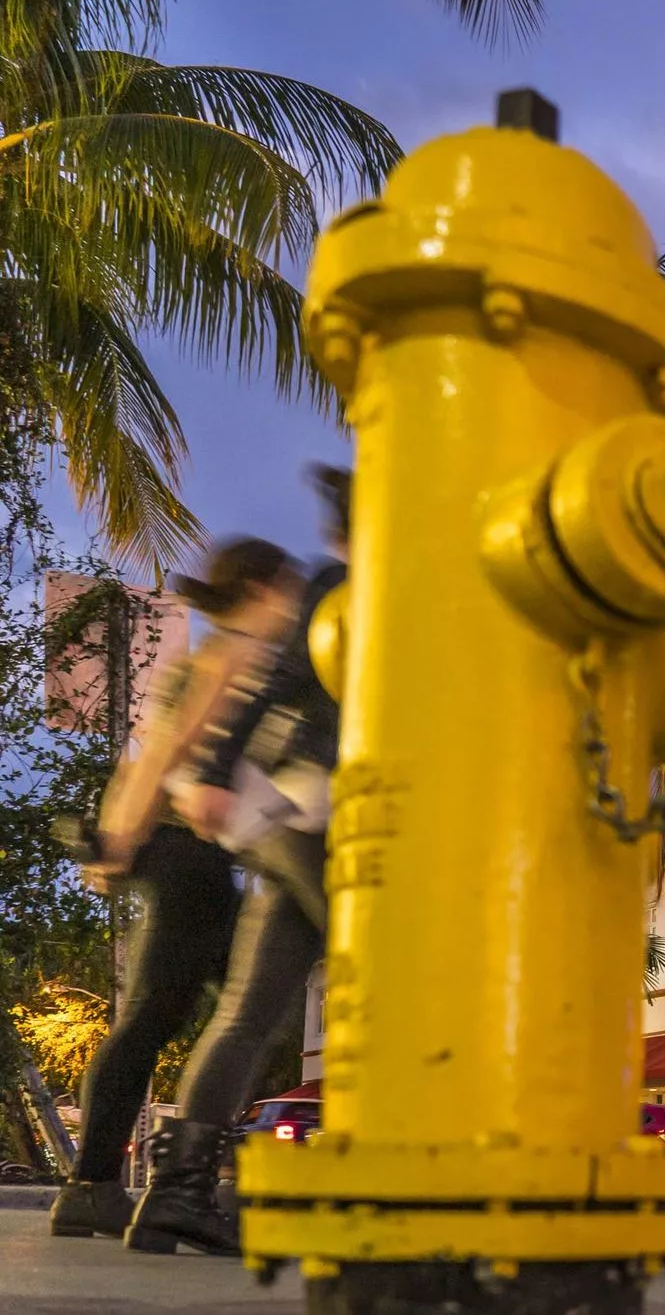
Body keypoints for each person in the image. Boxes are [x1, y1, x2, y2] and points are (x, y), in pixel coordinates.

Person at [45, 542, 297, 1239]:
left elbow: (149, 747)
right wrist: (124, 836)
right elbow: (167, 748)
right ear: (260, 587)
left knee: (241, 1015)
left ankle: (153, 1186)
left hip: (185, 853)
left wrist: (121, 833)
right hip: (189, 853)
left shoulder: (217, 653)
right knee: (194, 1017)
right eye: (289, 587)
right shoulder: (236, 653)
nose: (296, 601)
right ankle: (118, 1186)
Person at [127, 472, 350, 1256]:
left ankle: (172, 1199)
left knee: (248, 1013)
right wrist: (217, 770)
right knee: (393, 979)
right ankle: (400, 1181)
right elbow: (271, 683)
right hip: (309, 813)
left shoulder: (339, 583)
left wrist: (223, 773)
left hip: (278, 819)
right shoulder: (343, 587)